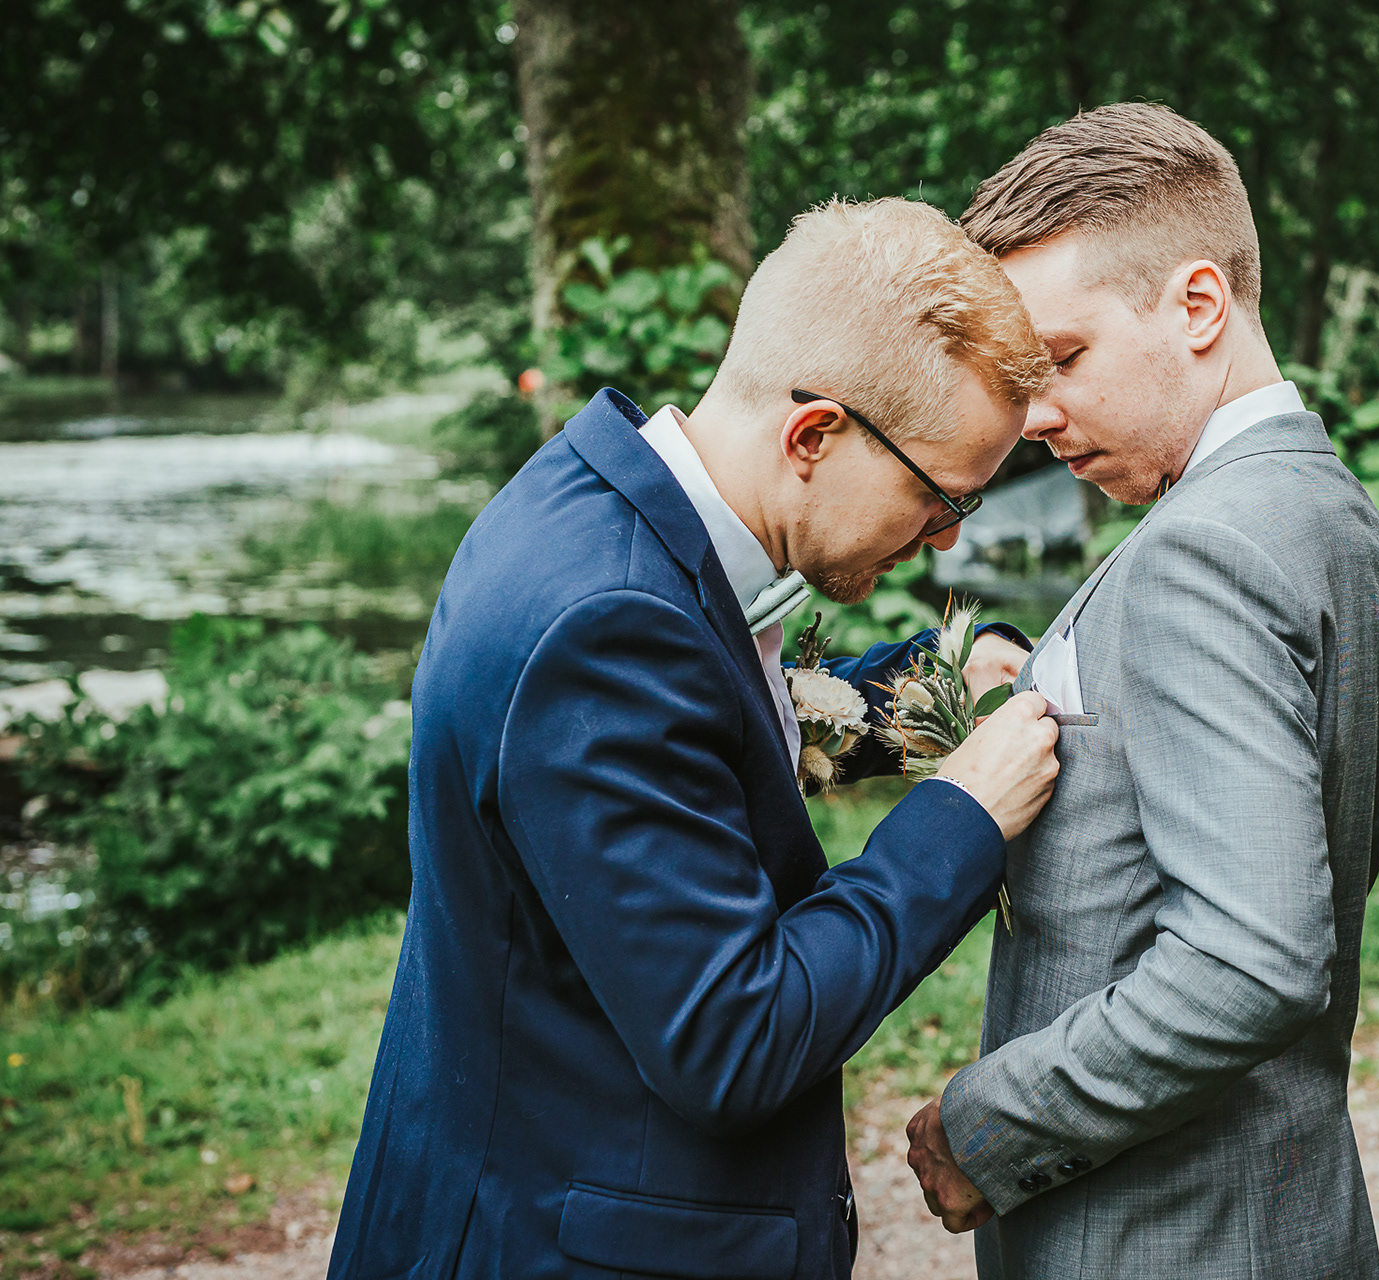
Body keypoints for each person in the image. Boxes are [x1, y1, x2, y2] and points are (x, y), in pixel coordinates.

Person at [327, 197, 1057, 1280]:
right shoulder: (606, 626)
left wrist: (927, 683)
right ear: (814, 435)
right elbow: (734, 1036)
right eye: (942, 497)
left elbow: (708, 728)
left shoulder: (600, 507)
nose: (946, 539)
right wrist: (965, 817)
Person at [904, 104, 1379, 1279]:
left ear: (1197, 306)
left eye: (1063, 359)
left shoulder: (1204, 549)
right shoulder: (1329, 512)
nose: (1034, 417)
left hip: (1161, 1236)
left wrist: (991, 1124)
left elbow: (1252, 959)